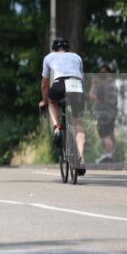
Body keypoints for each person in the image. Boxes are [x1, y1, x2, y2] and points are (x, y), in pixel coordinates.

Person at [39, 37, 86, 175]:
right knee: (78, 123)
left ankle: (57, 128)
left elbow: (44, 84)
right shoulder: (76, 57)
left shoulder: (49, 57)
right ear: (67, 48)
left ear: (54, 48)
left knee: (52, 101)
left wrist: (44, 100)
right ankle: (80, 158)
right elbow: (81, 78)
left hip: (59, 84)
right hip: (76, 86)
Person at [90, 65, 118, 164]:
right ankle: (111, 154)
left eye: (103, 72)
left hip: (104, 112)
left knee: (104, 134)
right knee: (110, 133)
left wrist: (93, 85)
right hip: (111, 112)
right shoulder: (112, 84)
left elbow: (92, 96)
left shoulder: (101, 85)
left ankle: (108, 155)